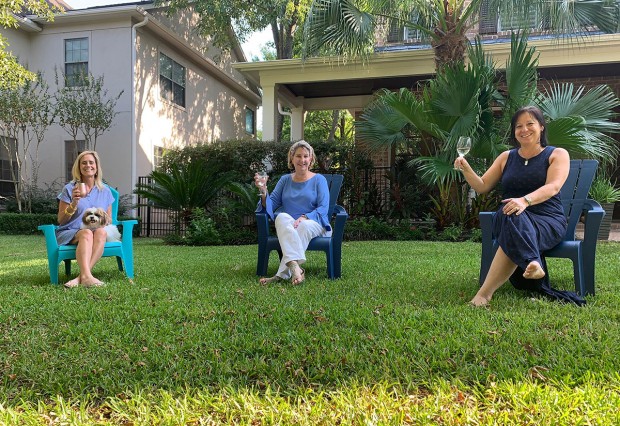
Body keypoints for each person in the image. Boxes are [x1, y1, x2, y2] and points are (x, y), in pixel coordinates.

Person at [454, 106, 585, 306]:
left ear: (541, 127)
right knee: (510, 212)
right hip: (511, 215)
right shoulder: (506, 157)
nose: (524, 129)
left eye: (530, 124)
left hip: (547, 220)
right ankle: (532, 262)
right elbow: (482, 186)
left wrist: (524, 201)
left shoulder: (556, 154)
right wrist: (466, 169)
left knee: (511, 212)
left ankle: (484, 295)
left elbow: (553, 186)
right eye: (518, 126)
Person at [255, 140, 332, 285]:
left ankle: (280, 275)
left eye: (305, 156)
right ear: (292, 158)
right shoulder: (285, 180)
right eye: (298, 156)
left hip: (316, 224)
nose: (302, 160)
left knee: (303, 226)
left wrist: (305, 217)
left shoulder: (319, 180)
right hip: (291, 225)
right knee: (282, 217)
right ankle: (296, 268)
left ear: (311, 159)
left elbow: (323, 208)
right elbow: (271, 206)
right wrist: (263, 191)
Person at [56, 151, 115, 288]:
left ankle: (81, 277)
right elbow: (61, 220)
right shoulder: (70, 189)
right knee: (86, 233)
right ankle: (87, 277)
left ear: (96, 167)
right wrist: (74, 203)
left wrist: (103, 219)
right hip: (69, 231)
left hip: (95, 231)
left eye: (91, 162)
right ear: (79, 167)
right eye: (84, 163)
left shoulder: (105, 191)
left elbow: (109, 220)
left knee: (101, 232)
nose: (88, 165)